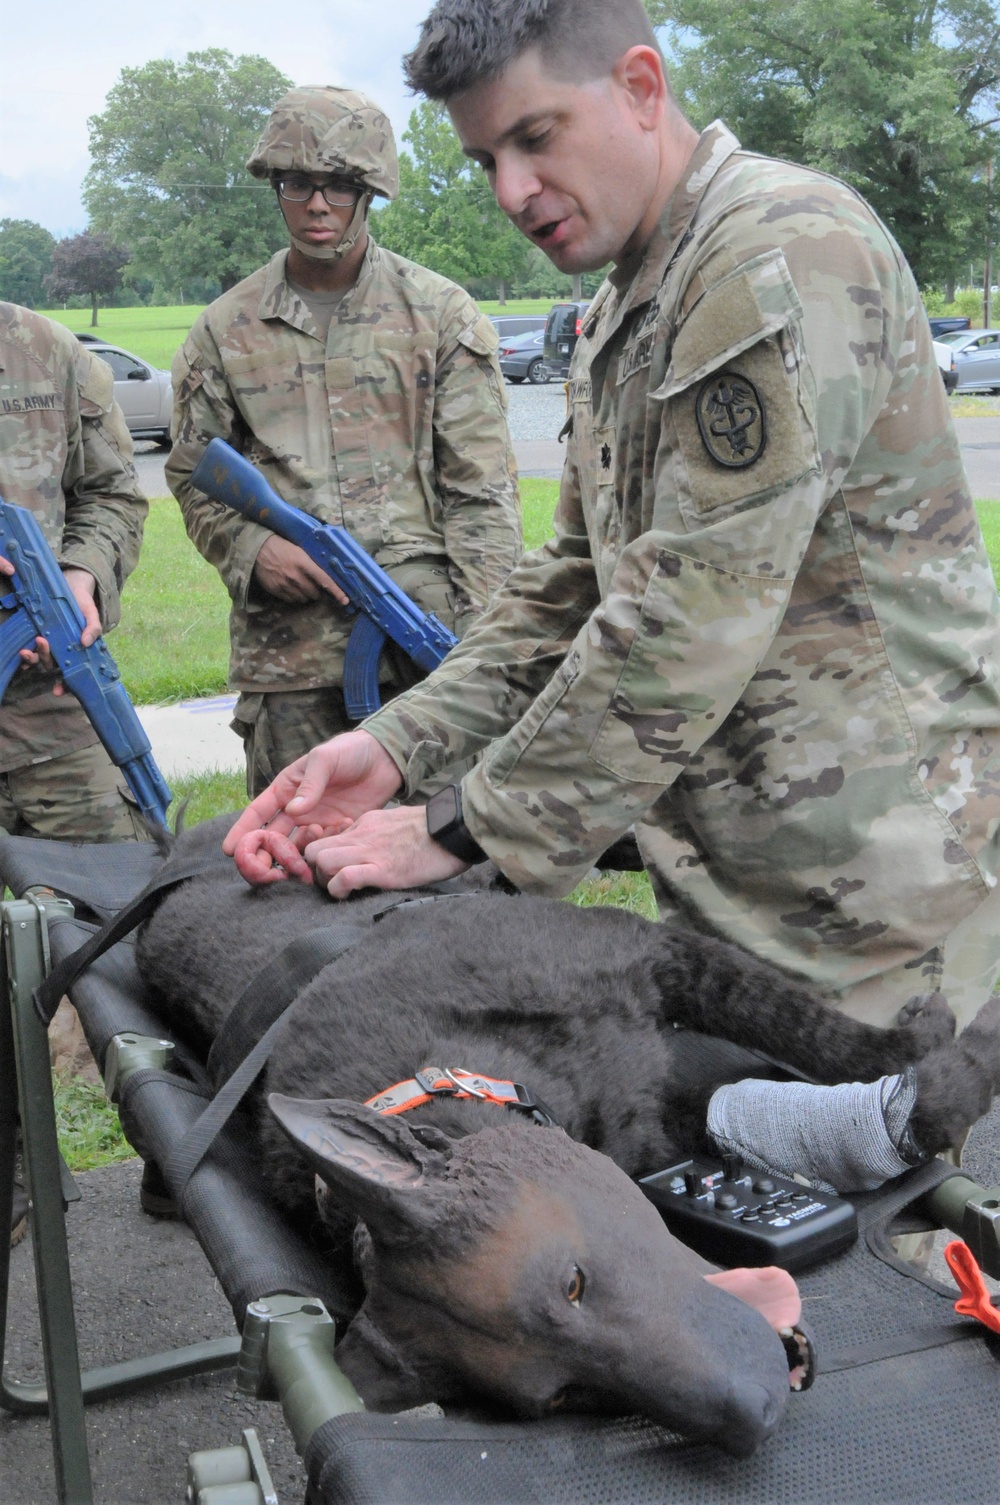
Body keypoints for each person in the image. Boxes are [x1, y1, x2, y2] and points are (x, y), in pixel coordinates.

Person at [224, 0, 1000, 1044]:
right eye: (485, 157)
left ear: (641, 87)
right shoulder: (633, 302)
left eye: (535, 138)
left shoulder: (774, 253)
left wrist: (463, 823)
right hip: (745, 864)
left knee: (861, 1190)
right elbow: (572, 586)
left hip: (866, 882)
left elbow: (692, 613)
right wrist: (397, 745)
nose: (511, 190)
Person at [166, 85, 522, 797]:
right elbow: (191, 472)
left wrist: (477, 658)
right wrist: (252, 548)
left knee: (449, 880)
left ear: (369, 193)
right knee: (297, 877)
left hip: (428, 657)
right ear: (276, 188)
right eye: (298, 184)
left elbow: (482, 498)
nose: (317, 205)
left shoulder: (440, 317)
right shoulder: (224, 329)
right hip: (290, 666)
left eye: (339, 185)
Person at [0, 300, 150, 1242]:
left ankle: (183, 1157)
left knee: (125, 929)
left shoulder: (47, 350)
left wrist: (84, 574)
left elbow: (112, 493)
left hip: (56, 713)